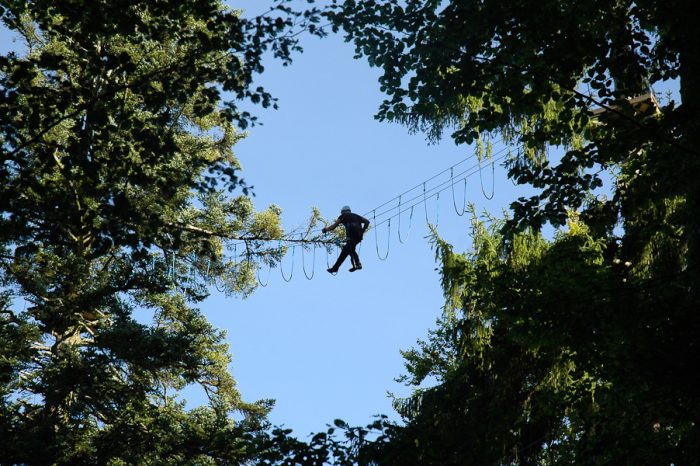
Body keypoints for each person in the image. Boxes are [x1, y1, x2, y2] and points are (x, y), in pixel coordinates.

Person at [322, 206, 370, 274]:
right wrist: (362, 230)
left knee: (349, 249)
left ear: (343, 211)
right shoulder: (356, 215)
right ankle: (335, 268)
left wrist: (325, 230)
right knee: (346, 250)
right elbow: (367, 222)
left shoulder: (343, 215)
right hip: (359, 236)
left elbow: (334, 226)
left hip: (351, 236)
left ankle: (358, 264)